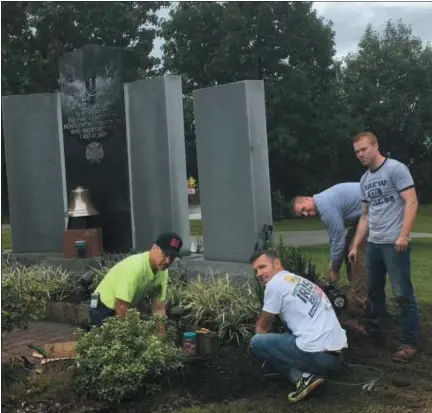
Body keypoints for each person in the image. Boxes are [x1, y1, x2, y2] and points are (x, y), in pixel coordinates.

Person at [348, 131, 419, 362]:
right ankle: (375, 334)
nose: (360, 155)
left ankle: (409, 342)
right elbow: (366, 216)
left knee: (401, 293)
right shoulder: (364, 180)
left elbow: (411, 201)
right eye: (357, 152)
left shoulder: (396, 169)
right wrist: (356, 244)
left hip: (394, 244)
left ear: (375, 146)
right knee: (374, 291)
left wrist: (404, 236)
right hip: (374, 245)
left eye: (364, 149)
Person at [249, 250, 347, 403]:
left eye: (262, 267)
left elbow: (261, 328)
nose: (259, 273)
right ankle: (313, 370)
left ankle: (303, 378)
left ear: (276, 264)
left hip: (316, 356)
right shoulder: (297, 280)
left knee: (257, 343)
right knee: (289, 337)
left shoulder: (274, 285)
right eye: (256, 270)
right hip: (335, 355)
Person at [290, 183, 367, 315]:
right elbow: (334, 238)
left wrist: (334, 269)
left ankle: (359, 306)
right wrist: (333, 262)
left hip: (375, 211)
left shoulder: (325, 207)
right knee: (350, 254)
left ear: (308, 199)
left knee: (356, 257)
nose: (305, 214)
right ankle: (355, 293)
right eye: (302, 214)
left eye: (304, 208)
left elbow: (338, 240)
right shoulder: (323, 203)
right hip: (362, 215)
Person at [89, 232, 183, 337]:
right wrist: (127, 337)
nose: (167, 261)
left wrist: (161, 337)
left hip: (122, 308)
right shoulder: (135, 267)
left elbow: (158, 308)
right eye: (165, 254)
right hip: (103, 308)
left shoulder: (162, 272)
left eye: (172, 257)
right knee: (113, 347)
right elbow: (120, 305)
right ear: (154, 248)